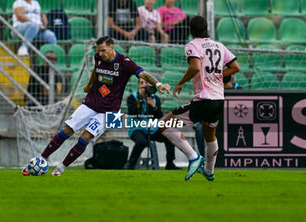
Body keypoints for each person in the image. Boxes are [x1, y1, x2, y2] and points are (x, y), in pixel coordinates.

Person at [21, 36, 170, 176]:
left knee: (86, 136)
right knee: (66, 130)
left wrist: (158, 84)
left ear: (112, 47)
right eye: (98, 50)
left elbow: (143, 74)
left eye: (103, 50)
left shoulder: (125, 62)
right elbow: (95, 70)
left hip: (110, 111)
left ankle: (61, 168)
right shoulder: (98, 57)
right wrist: (88, 84)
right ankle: (41, 159)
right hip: (91, 102)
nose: (100, 53)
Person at [159, 16, 240, 181]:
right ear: (207, 29)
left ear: (191, 30)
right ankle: (209, 172)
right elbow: (235, 67)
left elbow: (195, 66)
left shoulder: (192, 45)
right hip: (218, 100)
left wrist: (180, 82)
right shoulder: (219, 46)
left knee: (165, 125)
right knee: (210, 135)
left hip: (204, 99)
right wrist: (218, 76)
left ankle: (194, 157)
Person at [125, 78, 179, 170]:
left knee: (170, 137)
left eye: (146, 83)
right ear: (138, 85)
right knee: (142, 142)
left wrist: (153, 106)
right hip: (137, 129)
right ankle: (130, 164)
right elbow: (134, 114)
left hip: (153, 129)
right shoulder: (132, 98)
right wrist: (140, 99)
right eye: (142, 83)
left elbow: (159, 116)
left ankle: (170, 163)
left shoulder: (154, 98)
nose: (144, 85)